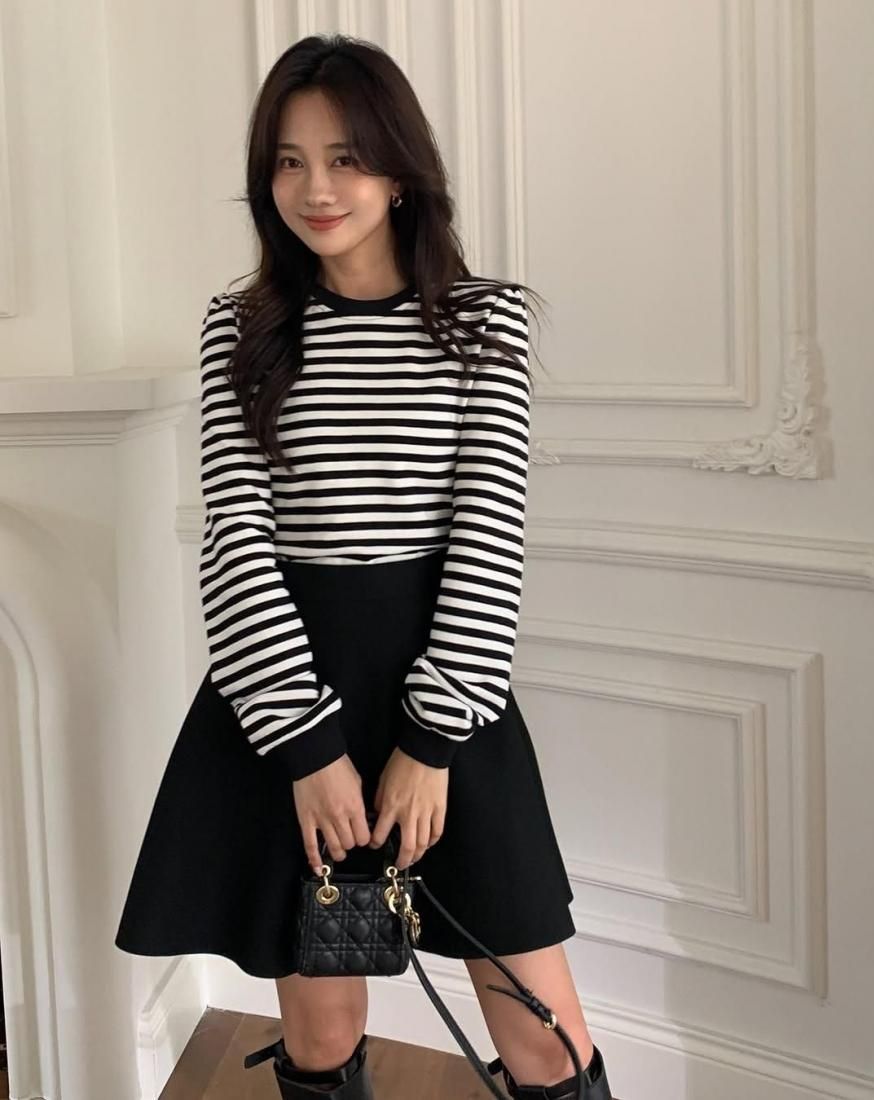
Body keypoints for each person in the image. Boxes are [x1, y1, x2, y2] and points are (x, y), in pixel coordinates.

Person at [114, 32, 613, 1100]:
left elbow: (490, 533)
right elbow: (237, 543)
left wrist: (430, 742)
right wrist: (307, 749)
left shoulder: (485, 321)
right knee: (323, 1025)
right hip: (286, 701)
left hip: (448, 698)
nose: (316, 189)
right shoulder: (242, 328)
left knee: (547, 1041)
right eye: (288, 162)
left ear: (399, 170)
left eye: (345, 158)